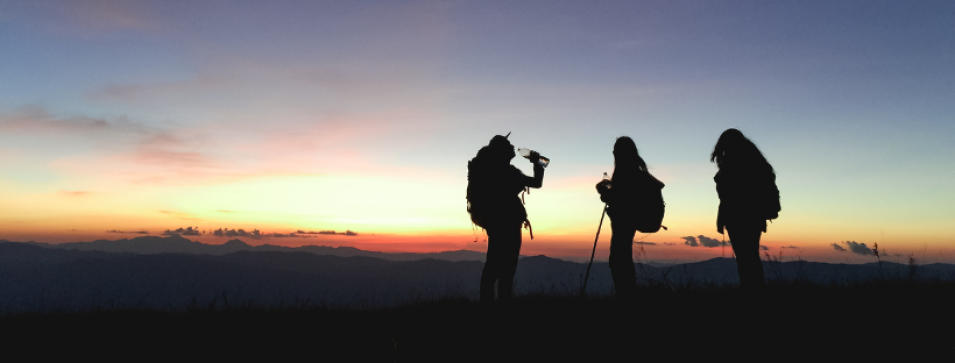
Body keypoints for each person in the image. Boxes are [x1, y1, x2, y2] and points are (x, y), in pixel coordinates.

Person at [467, 134, 544, 304]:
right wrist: (537, 163)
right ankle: (502, 305)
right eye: (508, 145)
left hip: (497, 223)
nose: (512, 147)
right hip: (507, 224)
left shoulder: (494, 170)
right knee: (505, 268)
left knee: (494, 266)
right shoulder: (505, 171)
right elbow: (536, 183)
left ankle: (489, 304)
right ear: (501, 151)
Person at [711, 128, 780, 290]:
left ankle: (751, 291)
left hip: (739, 217)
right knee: (749, 256)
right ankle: (754, 289)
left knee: (745, 258)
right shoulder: (754, 162)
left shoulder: (735, 164)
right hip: (753, 217)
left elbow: (730, 194)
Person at [595, 136, 662, 298]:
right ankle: (627, 294)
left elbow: (621, 200)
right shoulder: (636, 172)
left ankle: (626, 295)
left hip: (625, 221)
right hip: (631, 219)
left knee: (619, 259)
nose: (614, 154)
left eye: (615, 151)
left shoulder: (625, 173)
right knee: (621, 257)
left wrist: (603, 191)